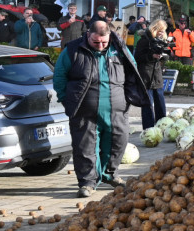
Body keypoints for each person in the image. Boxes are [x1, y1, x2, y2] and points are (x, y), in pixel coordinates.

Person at [53, 21, 149, 198]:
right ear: (88, 35)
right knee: (85, 146)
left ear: (109, 37)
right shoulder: (73, 50)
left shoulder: (118, 48)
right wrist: (66, 100)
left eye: (104, 42)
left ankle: (109, 174)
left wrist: (127, 99)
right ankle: (87, 182)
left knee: (117, 142)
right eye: (96, 42)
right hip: (84, 109)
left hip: (117, 108)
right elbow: (59, 76)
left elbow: (132, 71)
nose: (100, 46)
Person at [135, 19, 171, 131]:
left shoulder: (160, 41)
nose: (162, 33)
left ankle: (162, 126)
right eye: (160, 30)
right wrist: (152, 56)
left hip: (156, 74)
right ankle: (149, 129)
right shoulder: (144, 40)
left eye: (163, 31)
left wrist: (163, 57)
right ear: (155, 29)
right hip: (146, 75)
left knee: (160, 101)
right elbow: (137, 57)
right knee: (147, 104)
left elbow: (166, 56)